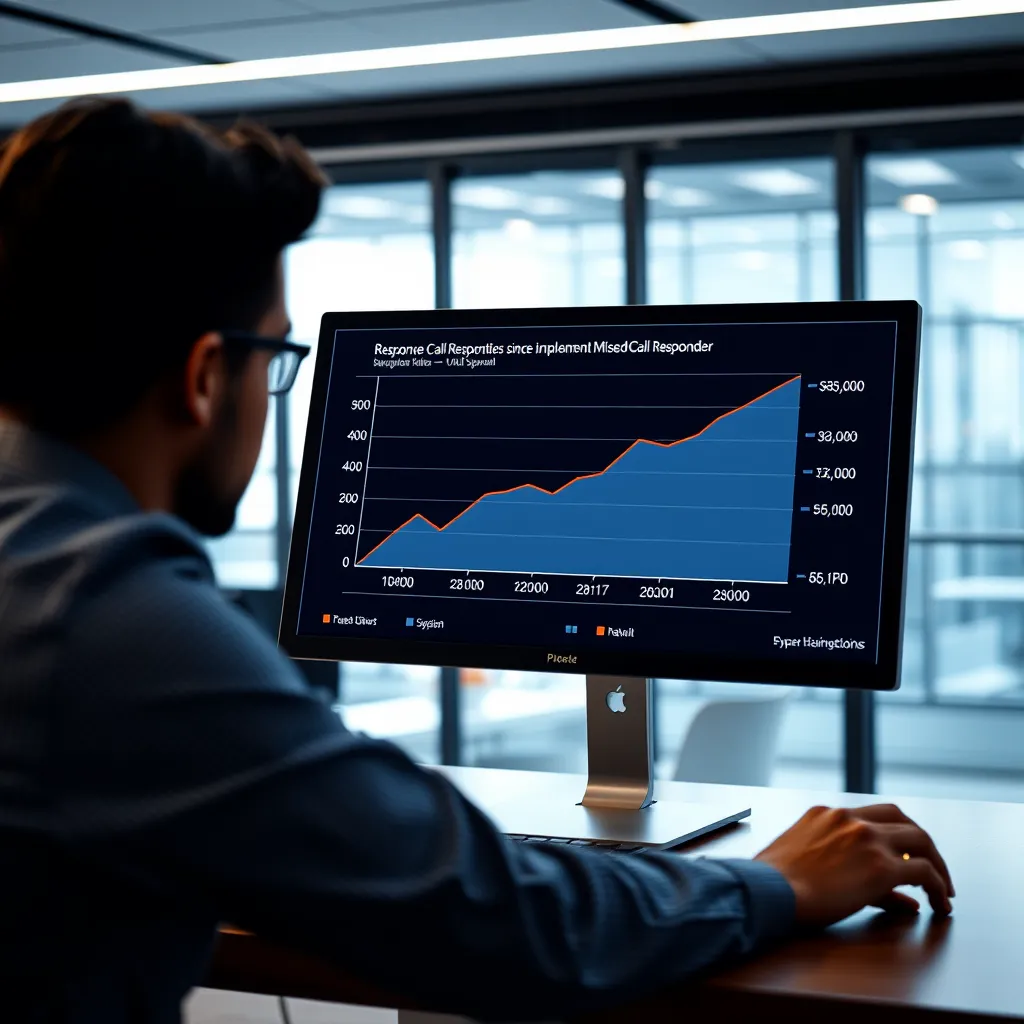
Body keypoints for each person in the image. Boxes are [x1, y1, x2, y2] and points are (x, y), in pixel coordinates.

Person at [0, 98, 953, 1024]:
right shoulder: (106, 616)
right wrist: (774, 884)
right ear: (208, 376)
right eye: (274, 357)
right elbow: (506, 925)